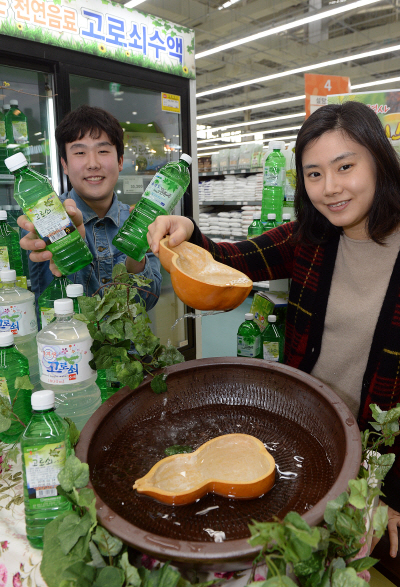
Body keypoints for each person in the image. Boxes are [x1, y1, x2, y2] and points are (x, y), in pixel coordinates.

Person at [146, 101, 400, 558]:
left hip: (383, 463)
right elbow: (231, 258)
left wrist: (391, 495)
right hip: (308, 438)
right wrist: (187, 232)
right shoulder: (310, 238)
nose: (331, 188)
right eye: (314, 174)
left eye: (345, 166)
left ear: (379, 160)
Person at [17, 105, 161, 311]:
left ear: (120, 161)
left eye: (103, 151)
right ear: (64, 165)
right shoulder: (44, 220)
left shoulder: (139, 220)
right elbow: (47, 303)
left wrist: (135, 256)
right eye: (80, 152)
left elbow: (148, 302)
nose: (92, 163)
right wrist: (67, 247)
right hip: (63, 342)